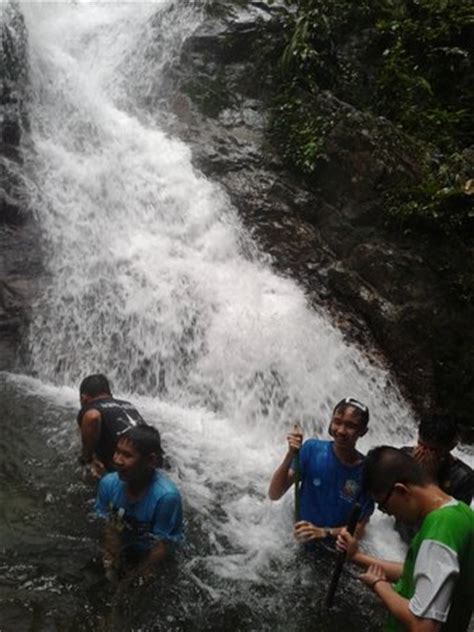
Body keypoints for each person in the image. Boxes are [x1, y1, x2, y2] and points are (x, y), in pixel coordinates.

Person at [337, 446, 474, 631]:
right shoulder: (461, 513)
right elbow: (417, 572)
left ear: (401, 490)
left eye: (383, 505)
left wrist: (380, 586)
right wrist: (356, 556)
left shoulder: (441, 529)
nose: (388, 514)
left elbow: (423, 626)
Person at [268, 397, 375, 544]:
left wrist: (325, 532)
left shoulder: (367, 471)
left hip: (334, 547)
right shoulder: (312, 449)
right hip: (298, 541)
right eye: (337, 422)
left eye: (351, 426)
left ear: (363, 431)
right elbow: (274, 494)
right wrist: (290, 455)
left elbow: (361, 529)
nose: (341, 430)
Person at [95, 424, 183, 581]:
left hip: (152, 550)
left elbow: (161, 546)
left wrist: (133, 579)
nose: (117, 460)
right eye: (117, 452)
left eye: (127, 455)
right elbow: (108, 524)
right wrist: (111, 560)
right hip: (126, 538)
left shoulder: (166, 497)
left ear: (150, 460)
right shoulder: (108, 483)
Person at [396, 414, 474, 543]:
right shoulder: (403, 456)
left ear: (451, 447)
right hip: (396, 537)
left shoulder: (463, 477)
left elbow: (451, 524)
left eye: (433, 450)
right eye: (421, 445)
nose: (424, 453)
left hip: (431, 541)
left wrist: (430, 479)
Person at [77, 374, 147, 478]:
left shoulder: (91, 407)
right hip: (149, 458)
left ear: (84, 398)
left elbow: (92, 417)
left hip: (129, 469)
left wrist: (87, 459)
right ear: (109, 393)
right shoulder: (127, 404)